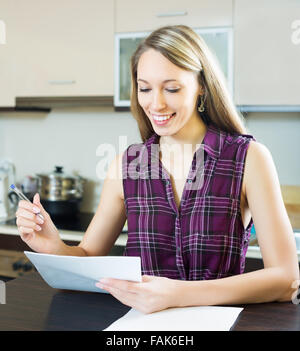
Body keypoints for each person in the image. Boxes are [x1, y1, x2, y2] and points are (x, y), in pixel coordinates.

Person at [16, 25, 299, 314]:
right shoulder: (126, 166)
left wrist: (179, 294)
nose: (157, 103)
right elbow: (87, 260)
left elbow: (287, 279)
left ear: (201, 85)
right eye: (145, 88)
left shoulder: (248, 158)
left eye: (172, 88)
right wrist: (53, 245)